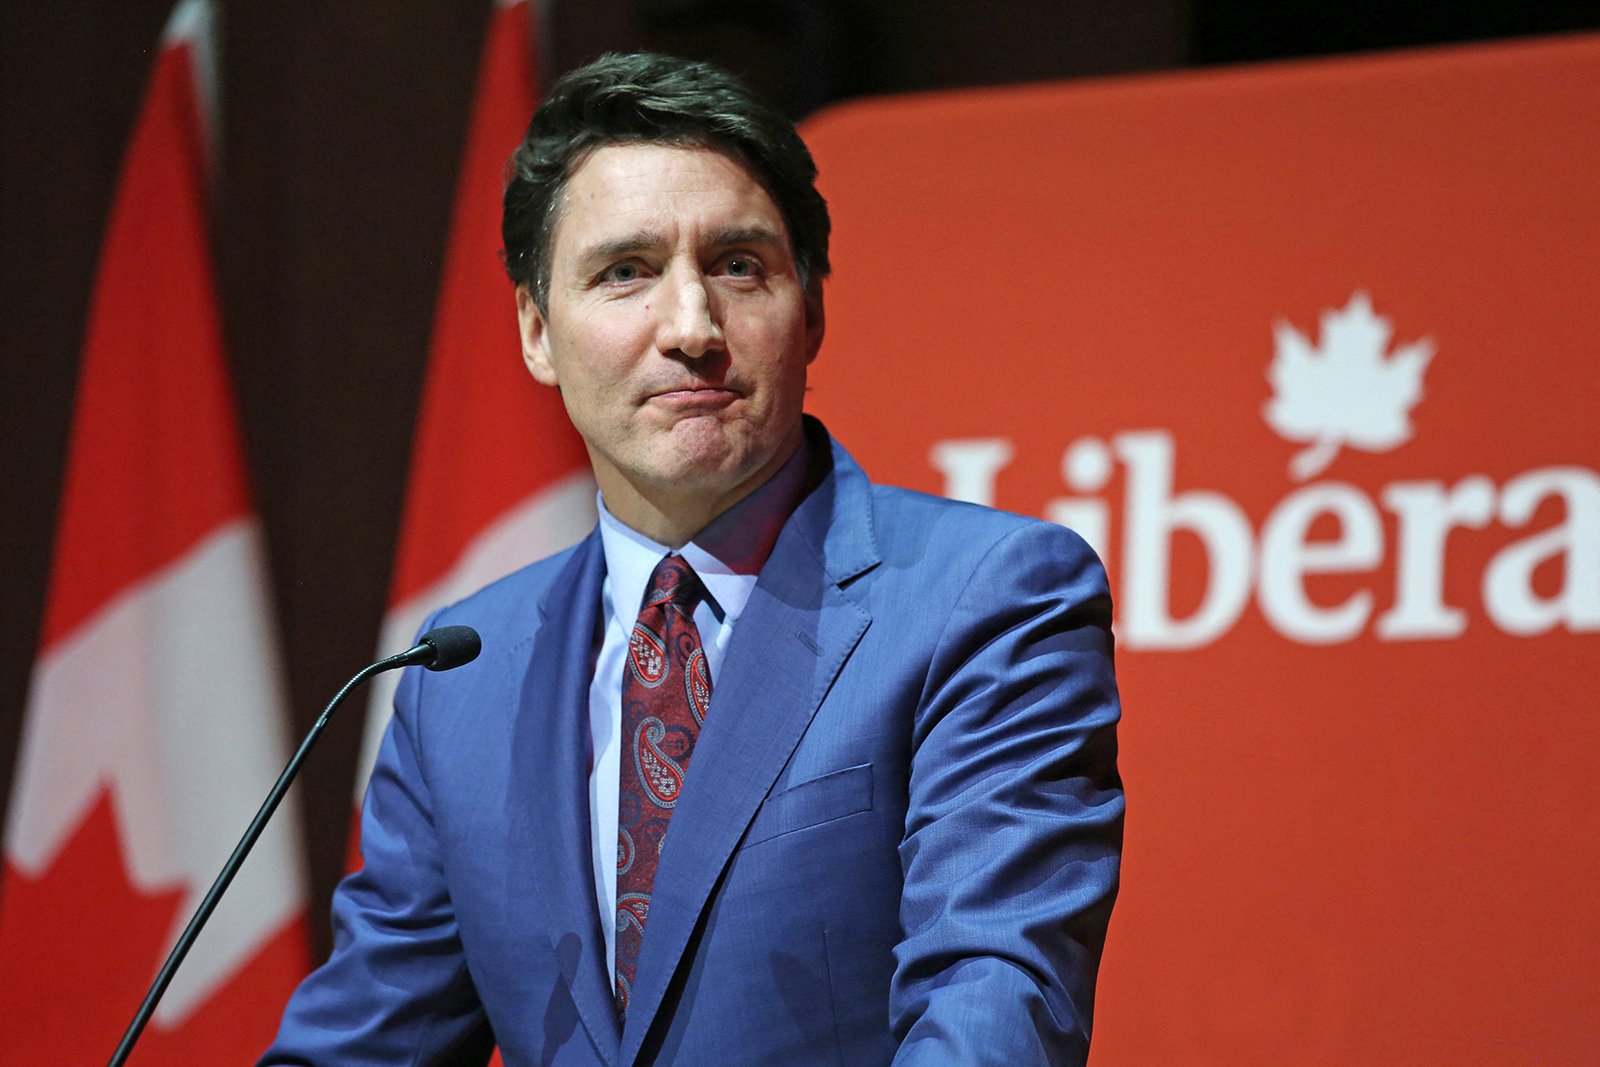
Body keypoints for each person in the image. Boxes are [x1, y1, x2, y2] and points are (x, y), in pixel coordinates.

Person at [263, 52, 1122, 1066]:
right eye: (624, 271)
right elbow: (363, 1042)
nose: (690, 328)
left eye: (737, 266)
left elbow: (992, 1005)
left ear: (810, 309)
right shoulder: (462, 672)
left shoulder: (986, 597)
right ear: (537, 331)